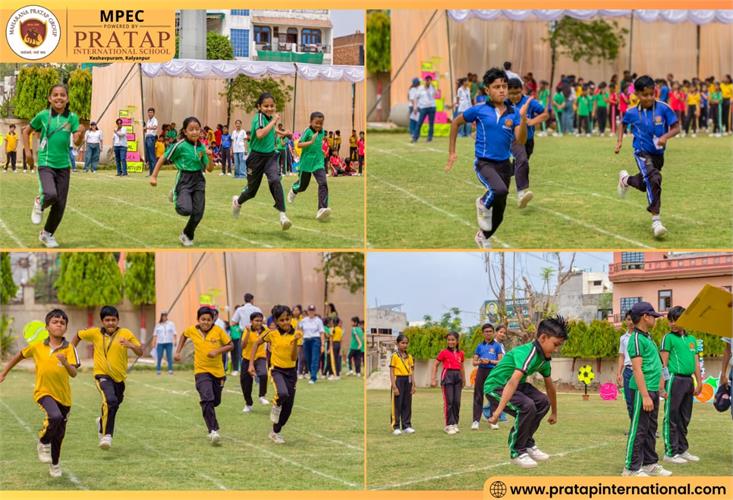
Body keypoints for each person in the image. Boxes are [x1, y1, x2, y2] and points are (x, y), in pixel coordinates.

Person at [445, 67, 531, 249]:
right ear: (487, 90)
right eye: (497, 87)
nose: (502, 90)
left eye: (504, 86)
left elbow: (521, 140)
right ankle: (482, 202)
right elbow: (456, 123)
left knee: (499, 214)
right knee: (499, 190)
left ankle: (482, 236)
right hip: (484, 163)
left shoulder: (514, 113)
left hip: (504, 165)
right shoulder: (479, 110)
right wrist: (452, 152)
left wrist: (523, 119)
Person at [0, 309, 79, 478]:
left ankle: (55, 464)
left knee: (59, 434)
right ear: (47, 327)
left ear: (66, 328)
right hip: (43, 392)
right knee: (54, 417)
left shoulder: (70, 348)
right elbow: (19, 356)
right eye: (55, 322)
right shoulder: (37, 346)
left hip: (64, 398)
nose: (59, 325)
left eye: (62, 323)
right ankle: (43, 442)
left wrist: (65, 362)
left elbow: (73, 373)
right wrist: (4, 372)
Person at [484, 316, 568, 469]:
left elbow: (550, 387)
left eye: (559, 346)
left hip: (517, 385)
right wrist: (497, 413)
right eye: (555, 345)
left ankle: (527, 443)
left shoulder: (544, 359)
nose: (556, 350)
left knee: (543, 402)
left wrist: (554, 412)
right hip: (496, 386)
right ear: (543, 338)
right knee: (527, 406)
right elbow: (512, 381)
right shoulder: (527, 353)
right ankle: (517, 451)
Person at [615, 75, 680, 240]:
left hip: (658, 155)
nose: (649, 97)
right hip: (641, 152)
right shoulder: (632, 112)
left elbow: (676, 127)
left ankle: (625, 180)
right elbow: (622, 124)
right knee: (654, 178)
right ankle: (656, 221)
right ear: (637, 94)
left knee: (646, 184)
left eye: (652, 94)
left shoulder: (663, 108)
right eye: (645, 95)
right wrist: (619, 141)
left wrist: (665, 136)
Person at [72, 305, 142, 449]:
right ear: (102, 321)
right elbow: (78, 335)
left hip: (119, 378)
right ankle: (107, 436)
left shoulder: (126, 333)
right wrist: (70, 354)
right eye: (107, 320)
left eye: (113, 320)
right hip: (102, 375)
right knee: (110, 400)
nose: (110, 323)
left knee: (115, 404)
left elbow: (140, 352)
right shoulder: (95, 333)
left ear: (118, 320)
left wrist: (130, 345)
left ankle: (101, 421)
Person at [24, 84, 85, 248]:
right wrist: (28, 153)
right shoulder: (43, 115)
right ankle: (40, 201)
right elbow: (26, 131)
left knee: (60, 204)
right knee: (50, 194)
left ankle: (47, 234)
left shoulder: (72, 117)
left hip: (64, 165)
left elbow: (77, 142)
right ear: (50, 98)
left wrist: (81, 133)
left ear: (67, 99)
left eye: (62, 95)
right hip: (46, 163)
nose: (59, 97)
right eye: (55, 95)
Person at [231, 93, 293, 231]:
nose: (269, 108)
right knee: (251, 191)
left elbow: (271, 129)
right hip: (256, 158)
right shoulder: (258, 117)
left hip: (270, 156)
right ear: (259, 107)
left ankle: (283, 215)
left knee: (275, 180)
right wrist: (274, 121)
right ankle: (237, 201)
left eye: (272, 106)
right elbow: (259, 134)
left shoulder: (269, 118)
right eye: (266, 106)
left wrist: (282, 133)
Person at [623, 302, 671, 477]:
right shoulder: (635, 339)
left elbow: (656, 363)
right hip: (642, 391)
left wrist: (660, 387)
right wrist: (644, 396)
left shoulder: (647, 337)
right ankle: (631, 468)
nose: (655, 319)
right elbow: (637, 369)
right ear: (645, 316)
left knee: (651, 428)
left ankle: (649, 463)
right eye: (653, 316)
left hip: (652, 389)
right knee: (639, 429)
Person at [150, 116, 214, 247]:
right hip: (184, 179)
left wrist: (210, 157)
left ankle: (186, 234)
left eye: (197, 129)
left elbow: (210, 169)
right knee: (185, 210)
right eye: (191, 129)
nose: (195, 132)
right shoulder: (180, 145)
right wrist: (154, 176)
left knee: (198, 213)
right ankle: (175, 192)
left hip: (199, 179)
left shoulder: (202, 147)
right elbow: (163, 157)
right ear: (185, 131)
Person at [175, 306, 233, 445]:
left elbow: (231, 345)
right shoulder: (192, 330)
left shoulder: (218, 331)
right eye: (203, 319)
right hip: (201, 371)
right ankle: (213, 430)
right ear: (198, 319)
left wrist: (217, 351)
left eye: (208, 319)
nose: (206, 322)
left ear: (213, 320)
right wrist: (178, 351)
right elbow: (183, 335)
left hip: (218, 373)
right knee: (207, 398)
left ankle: (212, 423)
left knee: (215, 401)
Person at [248, 305, 303, 444]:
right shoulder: (271, 334)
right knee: (283, 393)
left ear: (291, 318)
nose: (285, 322)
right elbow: (255, 344)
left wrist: (295, 341)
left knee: (288, 408)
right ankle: (276, 404)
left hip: (291, 372)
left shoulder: (297, 334)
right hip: (277, 370)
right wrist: (251, 364)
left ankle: (275, 432)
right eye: (281, 320)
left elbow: (293, 358)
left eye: (287, 319)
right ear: (276, 321)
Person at [660, 306, 702, 464]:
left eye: (676, 320)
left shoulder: (692, 340)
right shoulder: (668, 338)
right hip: (674, 380)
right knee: (672, 416)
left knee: (684, 417)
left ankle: (682, 450)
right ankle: (670, 453)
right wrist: (663, 385)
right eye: (670, 321)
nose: (672, 324)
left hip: (688, 381)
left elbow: (696, 363)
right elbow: (663, 364)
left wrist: (699, 382)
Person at [507, 78, 548, 209]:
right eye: (511, 93)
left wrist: (532, 121)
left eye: (517, 93)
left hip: (528, 140)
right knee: (522, 160)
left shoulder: (529, 102)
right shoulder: (504, 103)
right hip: (514, 139)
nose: (514, 96)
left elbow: (545, 114)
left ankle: (495, 179)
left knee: (517, 166)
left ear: (522, 90)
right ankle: (521, 194)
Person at [287, 111, 331, 221]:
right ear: (310, 122)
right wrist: (311, 141)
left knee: (323, 183)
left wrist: (321, 151)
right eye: (316, 123)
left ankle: (321, 209)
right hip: (306, 163)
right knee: (303, 186)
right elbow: (299, 144)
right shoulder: (307, 131)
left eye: (321, 123)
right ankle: (294, 189)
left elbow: (318, 144)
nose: (318, 125)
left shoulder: (322, 132)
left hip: (318, 163)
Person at [431, 331, 465, 435]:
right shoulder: (443, 352)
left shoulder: (461, 353)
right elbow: (435, 364)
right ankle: (448, 425)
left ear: (457, 341)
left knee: (457, 402)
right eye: (449, 340)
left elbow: (462, 367)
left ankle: (455, 423)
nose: (450, 342)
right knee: (449, 401)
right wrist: (433, 379)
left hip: (458, 377)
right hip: (447, 376)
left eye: (453, 340)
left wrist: (464, 379)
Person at [472, 323, 504, 431]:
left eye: (490, 331)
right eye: (486, 331)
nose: (488, 333)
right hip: (481, 371)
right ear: (483, 333)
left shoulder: (497, 346)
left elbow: (500, 362)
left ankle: (493, 420)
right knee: (478, 395)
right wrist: (481, 361)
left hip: (492, 372)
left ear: (493, 333)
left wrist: (489, 361)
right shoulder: (479, 346)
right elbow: (474, 362)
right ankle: (476, 421)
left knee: (493, 395)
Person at [240, 311, 270, 412]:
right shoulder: (247, 330)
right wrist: (248, 333)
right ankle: (248, 404)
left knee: (264, 374)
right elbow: (243, 346)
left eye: (260, 321)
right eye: (256, 321)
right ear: (251, 321)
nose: (259, 323)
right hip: (247, 358)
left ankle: (262, 396)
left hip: (260, 357)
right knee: (245, 383)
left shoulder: (266, 330)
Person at [390, 334, 416, 435]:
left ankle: (406, 425)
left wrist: (413, 385)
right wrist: (394, 386)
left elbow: (412, 371)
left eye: (406, 343)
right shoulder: (394, 356)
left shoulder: (409, 357)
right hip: (398, 380)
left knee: (407, 404)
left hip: (407, 380)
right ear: (397, 344)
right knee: (397, 404)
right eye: (402, 343)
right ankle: (395, 426)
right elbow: (391, 371)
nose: (405, 345)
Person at [616, 311, 635, 422]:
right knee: (629, 401)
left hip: (641, 371)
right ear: (625, 321)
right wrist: (619, 373)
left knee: (642, 400)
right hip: (628, 372)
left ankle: (644, 427)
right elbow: (622, 356)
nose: (631, 322)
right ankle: (633, 425)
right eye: (628, 319)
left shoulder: (643, 336)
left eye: (633, 319)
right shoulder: (623, 338)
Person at [300, 305, 325, 384]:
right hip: (306, 340)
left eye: (312, 310)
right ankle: (312, 373)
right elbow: (300, 330)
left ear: (315, 311)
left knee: (315, 358)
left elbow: (322, 333)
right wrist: (301, 339)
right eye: (310, 310)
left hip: (315, 340)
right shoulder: (304, 320)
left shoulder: (318, 320)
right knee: (308, 359)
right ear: (308, 311)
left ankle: (313, 377)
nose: (311, 312)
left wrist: (322, 345)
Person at [412, 76, 437, 143]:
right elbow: (415, 98)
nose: (429, 82)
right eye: (427, 80)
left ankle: (429, 138)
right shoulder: (420, 88)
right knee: (419, 123)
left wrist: (433, 89)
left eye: (430, 80)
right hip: (423, 108)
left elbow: (435, 95)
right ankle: (415, 138)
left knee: (431, 124)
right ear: (425, 81)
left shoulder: (432, 88)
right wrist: (415, 107)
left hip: (432, 107)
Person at [144, 107, 158, 175]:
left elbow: (155, 127)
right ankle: (151, 172)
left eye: (151, 112)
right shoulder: (148, 121)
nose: (150, 114)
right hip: (147, 137)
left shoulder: (154, 120)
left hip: (151, 137)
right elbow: (147, 130)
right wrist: (145, 130)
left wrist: (147, 128)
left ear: (153, 113)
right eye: (149, 112)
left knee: (152, 155)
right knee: (148, 156)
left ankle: (154, 172)